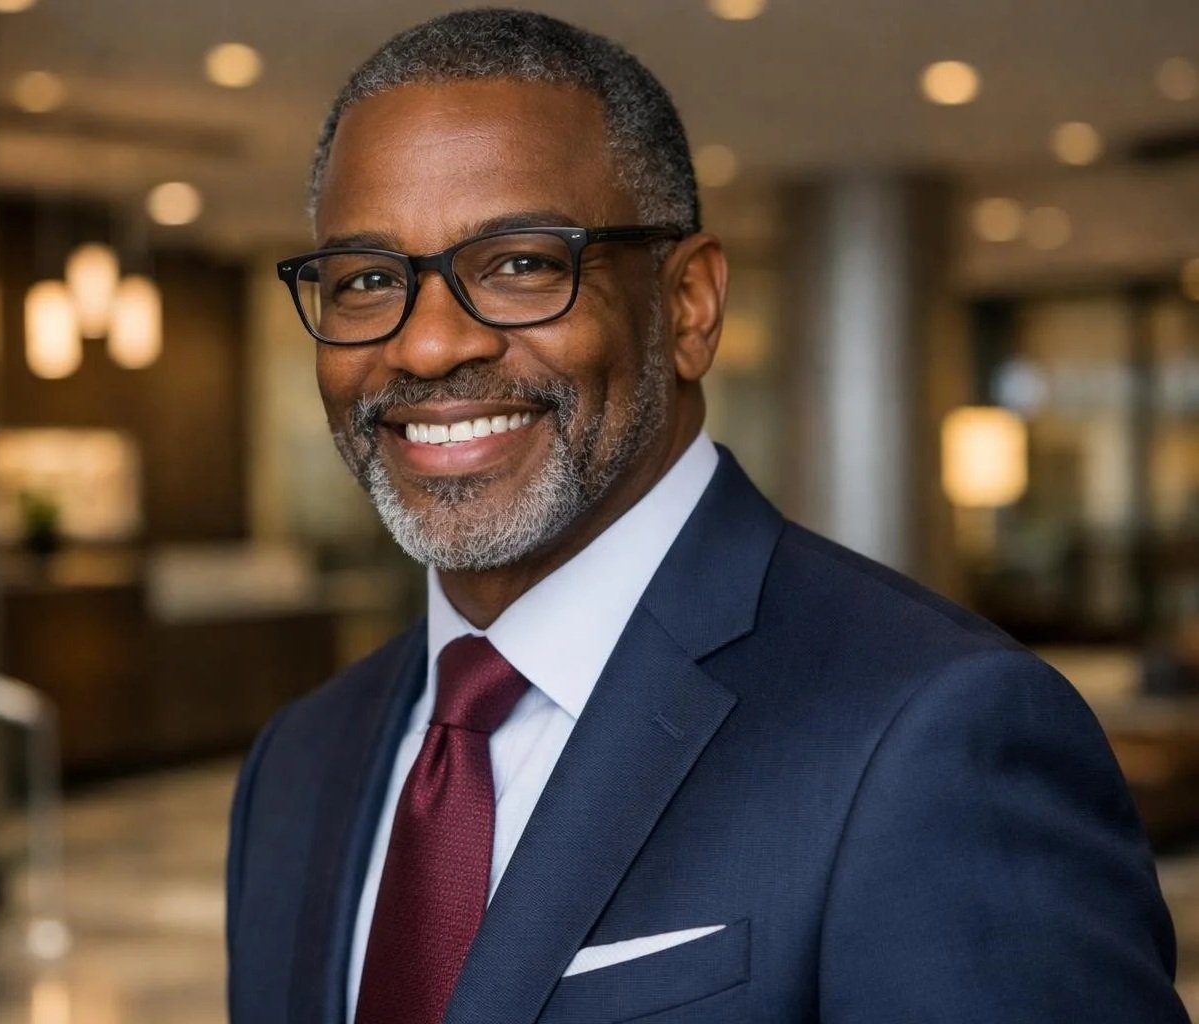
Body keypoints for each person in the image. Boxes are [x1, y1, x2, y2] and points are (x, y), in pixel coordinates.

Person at [226, 9, 1187, 1023]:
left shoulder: (934, 734)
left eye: (520, 264)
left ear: (687, 305)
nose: (427, 347)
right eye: (369, 280)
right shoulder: (298, 763)